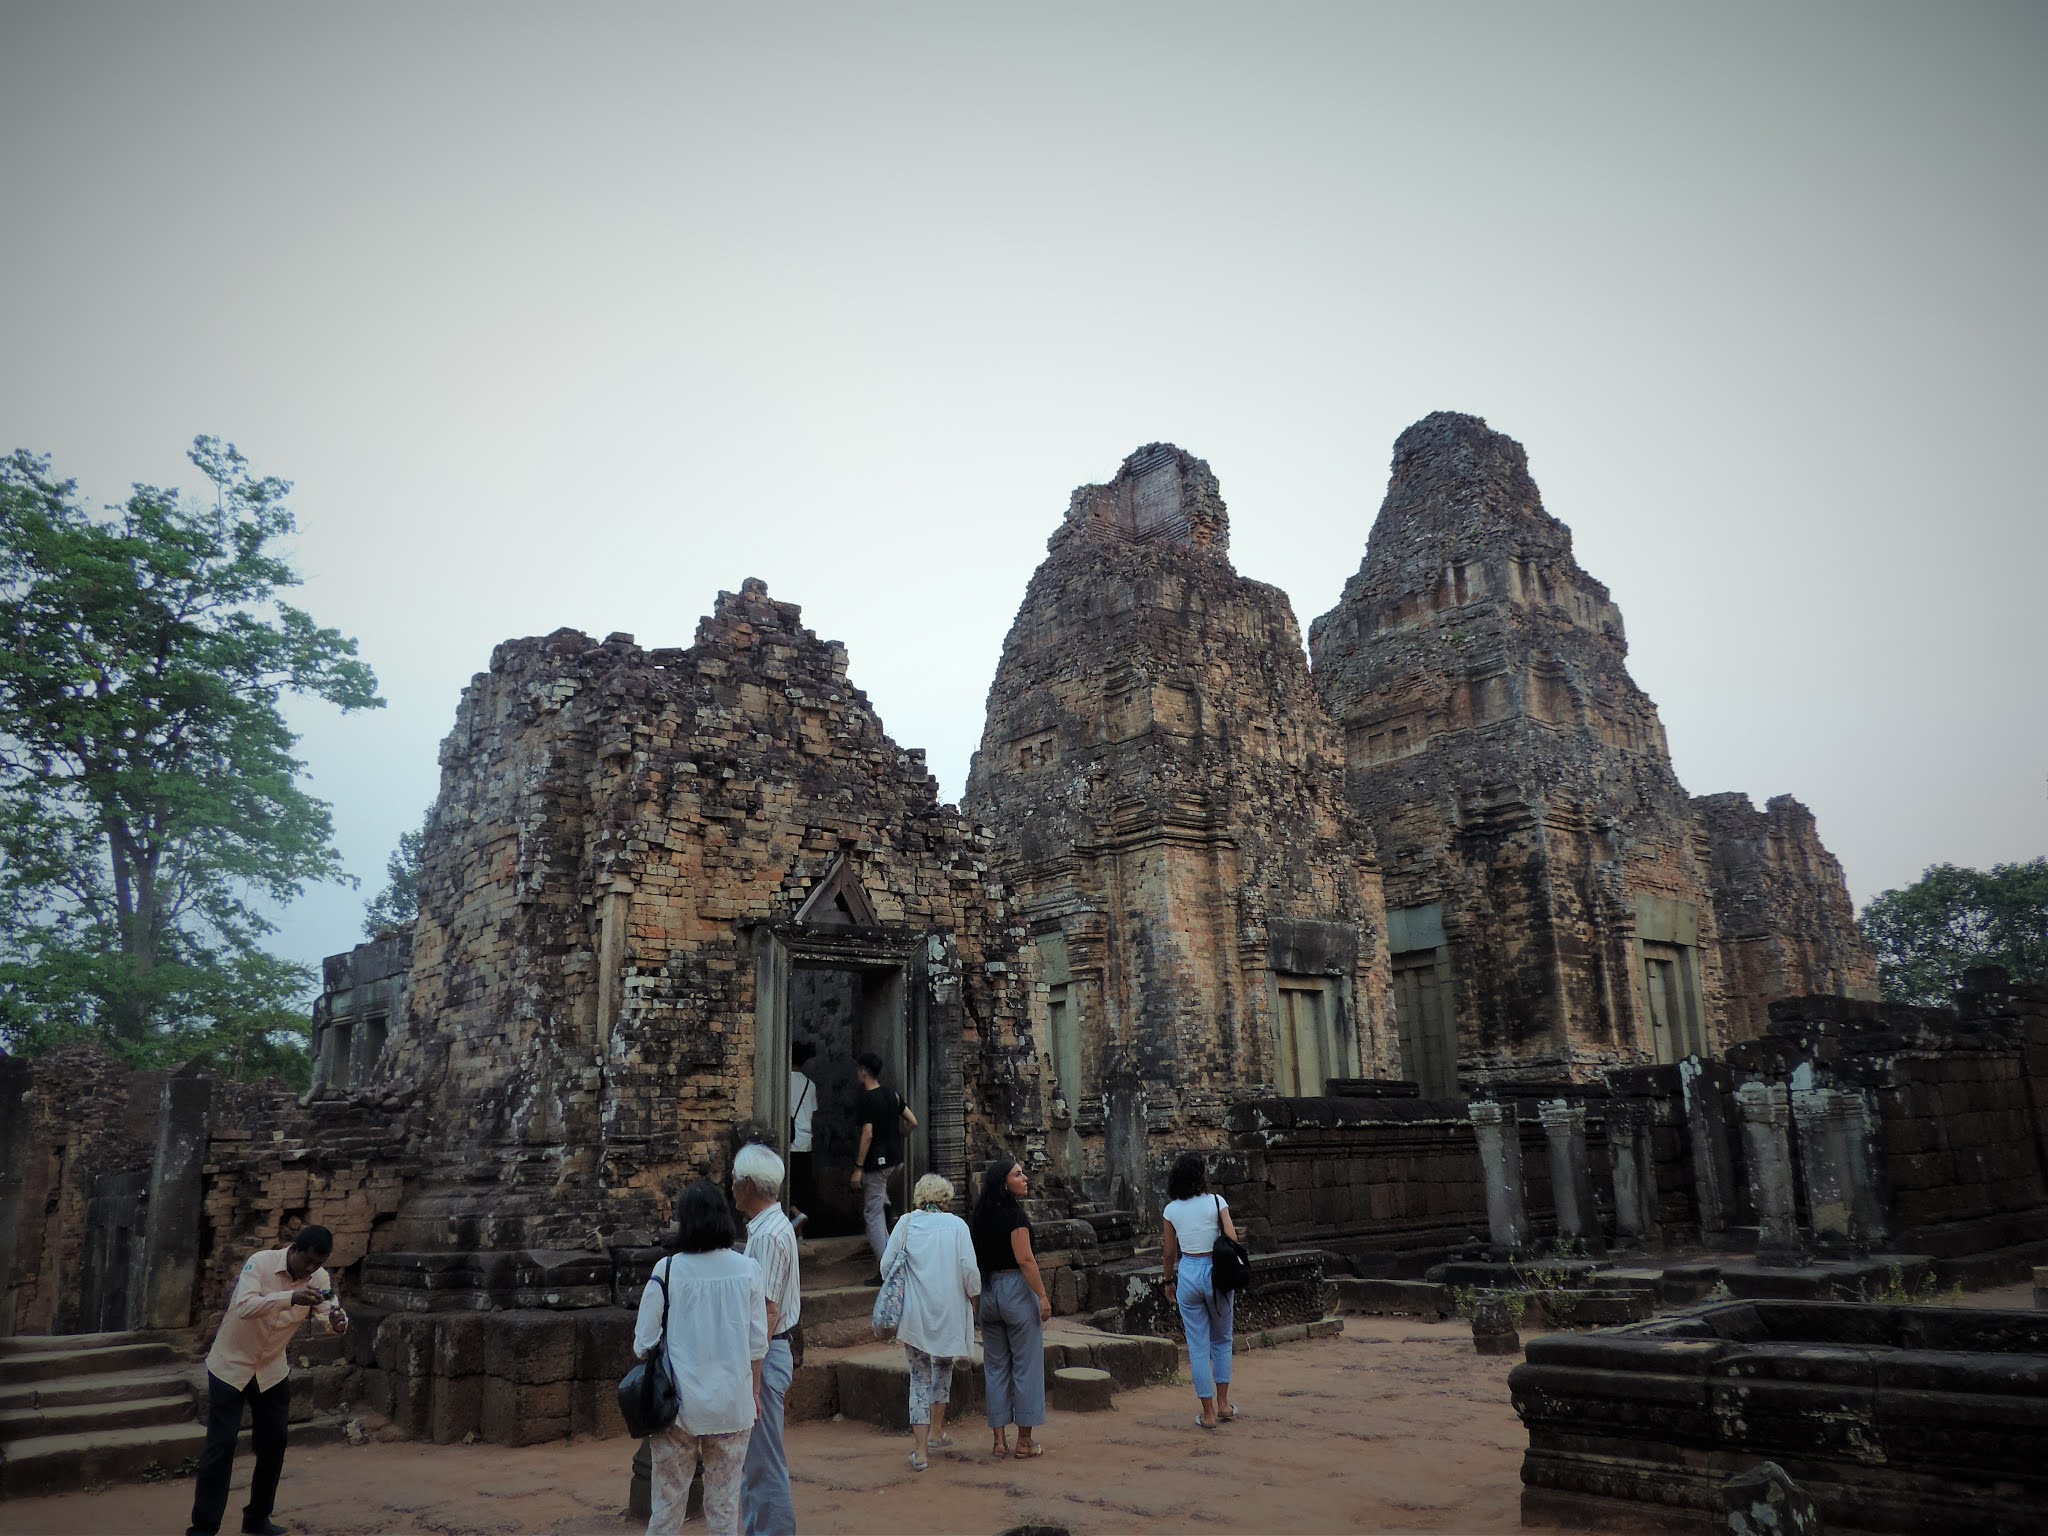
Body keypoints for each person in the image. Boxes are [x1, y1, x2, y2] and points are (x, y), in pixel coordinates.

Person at [187, 1224, 348, 1536]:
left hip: (272, 1369)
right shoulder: (259, 1263)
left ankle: (257, 1519)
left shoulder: (319, 1278)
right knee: (221, 1445)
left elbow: (329, 1312)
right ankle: (204, 1528)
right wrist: (291, 1297)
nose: (312, 1269)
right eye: (308, 1262)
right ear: (295, 1250)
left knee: (274, 1443)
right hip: (230, 1366)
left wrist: (338, 1323)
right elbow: (245, 1306)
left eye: (319, 1264)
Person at [636, 1181, 769, 1536]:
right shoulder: (748, 1270)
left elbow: (643, 1342)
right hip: (733, 1405)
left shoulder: (666, 1271)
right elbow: (758, 1344)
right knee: (724, 1509)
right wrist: (754, 1393)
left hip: (677, 1409)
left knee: (665, 1509)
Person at [878, 1172, 978, 1472]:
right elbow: (970, 1272)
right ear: (946, 1198)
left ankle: (920, 1451)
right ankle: (936, 1431)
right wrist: (974, 1298)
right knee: (943, 1367)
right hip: (949, 1312)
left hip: (915, 1315)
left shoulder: (906, 1224)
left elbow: (886, 1267)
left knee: (919, 1376)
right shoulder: (957, 1226)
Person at [733, 1144, 800, 1536]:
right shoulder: (770, 1229)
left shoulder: (769, 1236)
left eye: (736, 1180)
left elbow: (768, 1311)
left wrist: (753, 1376)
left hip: (768, 1354)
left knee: (764, 1460)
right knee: (755, 1459)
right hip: (769, 1352)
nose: (732, 1187)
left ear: (748, 1185)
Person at [968, 1155, 1050, 1459]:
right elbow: (1025, 1259)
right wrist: (1041, 1296)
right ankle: (1024, 1441)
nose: (1025, 1178)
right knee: (1026, 1367)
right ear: (1005, 1182)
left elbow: (974, 1260)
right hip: (1015, 1288)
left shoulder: (979, 1216)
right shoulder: (1015, 1217)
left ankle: (999, 1440)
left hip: (988, 1292)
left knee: (996, 1367)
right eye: (1018, 1174)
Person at [1160, 1152, 1238, 1431]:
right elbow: (1231, 1237)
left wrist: (1168, 1281)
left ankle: (1207, 1414)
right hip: (1217, 1272)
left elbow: (1169, 1252)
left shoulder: (1171, 1210)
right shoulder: (1217, 1202)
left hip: (1189, 1271)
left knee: (1197, 1345)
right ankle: (1224, 1403)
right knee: (1222, 1339)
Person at [849, 1051, 917, 1274]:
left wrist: (858, 1168)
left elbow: (867, 1134)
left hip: (877, 1164)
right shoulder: (892, 1094)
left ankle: (887, 1269)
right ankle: (888, 1205)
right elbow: (912, 1121)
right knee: (880, 1197)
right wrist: (901, 1136)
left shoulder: (867, 1098)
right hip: (896, 1160)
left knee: (872, 1215)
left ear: (864, 1072)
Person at [787, 1041, 818, 1231]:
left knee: (787, 1186)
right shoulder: (810, 1085)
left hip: (789, 1141)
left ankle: (795, 1214)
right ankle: (800, 1233)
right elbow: (812, 1112)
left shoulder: (783, 1081)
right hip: (805, 1142)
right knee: (802, 1185)